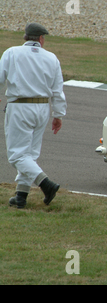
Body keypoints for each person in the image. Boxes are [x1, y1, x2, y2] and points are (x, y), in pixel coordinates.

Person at [0, 22, 67, 209]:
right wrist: (58, 115)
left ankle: (46, 184)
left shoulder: (12, 53)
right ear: (41, 39)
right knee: (29, 154)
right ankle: (21, 196)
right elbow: (58, 90)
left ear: (25, 37)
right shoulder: (52, 58)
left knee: (17, 155)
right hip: (42, 109)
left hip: (20, 107)